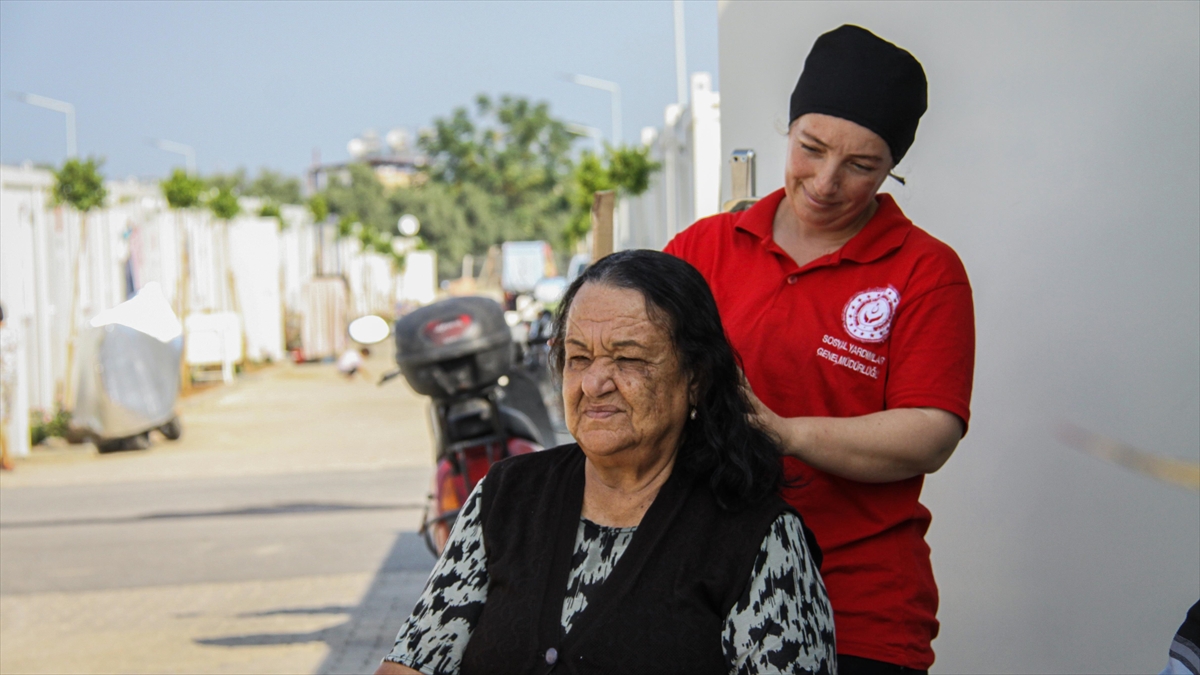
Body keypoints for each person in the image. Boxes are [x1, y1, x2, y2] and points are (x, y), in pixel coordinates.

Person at [666, 25, 975, 674]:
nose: (827, 180)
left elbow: (931, 432)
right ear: (788, 129)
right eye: (811, 148)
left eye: (862, 166)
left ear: (892, 167)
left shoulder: (924, 270)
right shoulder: (703, 249)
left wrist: (784, 432)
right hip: (703, 587)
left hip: (856, 605)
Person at [377, 250, 835, 675]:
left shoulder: (755, 536)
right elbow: (414, 661)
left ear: (696, 378)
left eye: (628, 359)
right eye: (579, 358)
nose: (594, 383)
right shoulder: (506, 495)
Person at [0, 303, 16, 471]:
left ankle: (7, 458)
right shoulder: (11, 334)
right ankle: (6, 456)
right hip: (11, 381)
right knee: (5, 418)